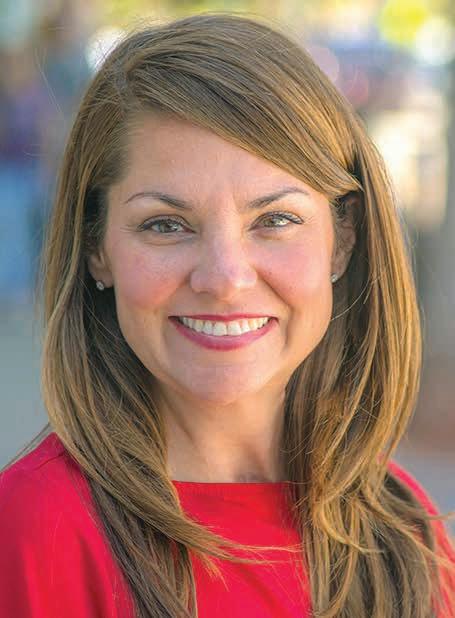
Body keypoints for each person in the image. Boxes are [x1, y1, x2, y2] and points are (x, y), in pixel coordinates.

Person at [0, 12, 454, 618]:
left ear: (342, 240)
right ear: (95, 247)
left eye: (275, 220)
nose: (224, 278)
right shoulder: (35, 532)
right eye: (166, 225)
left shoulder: (403, 532)